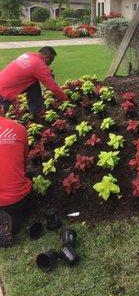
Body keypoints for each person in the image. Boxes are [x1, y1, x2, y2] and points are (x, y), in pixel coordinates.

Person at [0, 46, 68, 116]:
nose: (50, 64)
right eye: (51, 60)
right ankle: (37, 112)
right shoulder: (40, 66)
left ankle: (37, 112)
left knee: (34, 83)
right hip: (3, 94)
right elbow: (53, 87)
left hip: (2, 84)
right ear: (46, 57)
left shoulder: (28, 55)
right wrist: (65, 99)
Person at [0, 105, 32, 247]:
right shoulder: (19, 128)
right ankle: (10, 221)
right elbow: (24, 164)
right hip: (17, 199)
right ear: (1, 108)